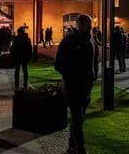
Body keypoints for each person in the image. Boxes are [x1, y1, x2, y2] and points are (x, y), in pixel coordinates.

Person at [55, 14, 95, 154]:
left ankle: (72, 146)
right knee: (77, 118)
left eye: (88, 24)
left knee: (79, 119)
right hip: (73, 87)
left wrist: (91, 78)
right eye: (83, 23)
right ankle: (80, 149)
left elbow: (90, 64)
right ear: (78, 25)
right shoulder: (69, 41)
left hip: (85, 87)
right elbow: (58, 64)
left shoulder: (89, 42)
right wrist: (72, 75)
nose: (86, 26)